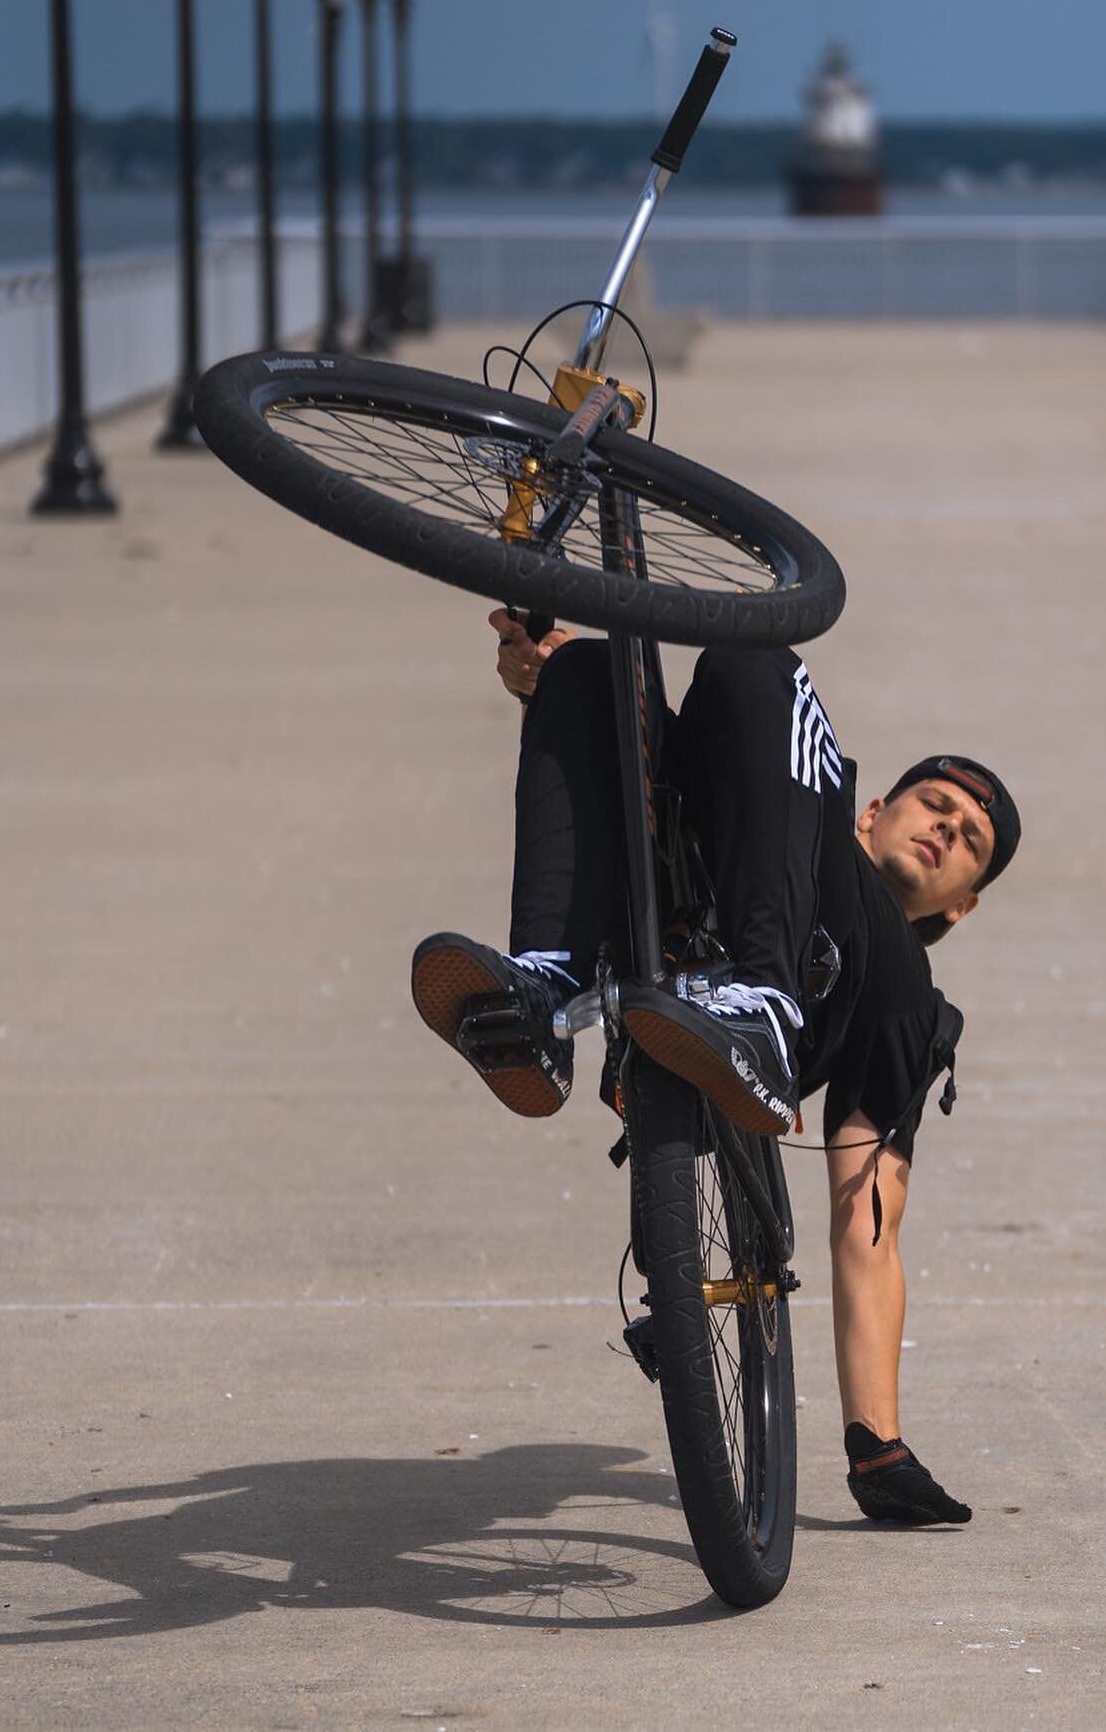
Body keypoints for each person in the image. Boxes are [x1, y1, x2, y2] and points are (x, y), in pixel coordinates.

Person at [410, 610, 1021, 1526]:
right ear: (871, 810)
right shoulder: (805, 784)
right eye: (936, 804)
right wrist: (551, 675)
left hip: (785, 1014)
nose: (947, 828)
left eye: (970, 840)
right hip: (668, 899)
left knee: (754, 659)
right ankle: (545, 994)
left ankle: (766, 1006)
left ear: (963, 906)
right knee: (591, 668)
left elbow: (871, 1221)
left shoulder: (906, 992)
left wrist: (876, 1444)